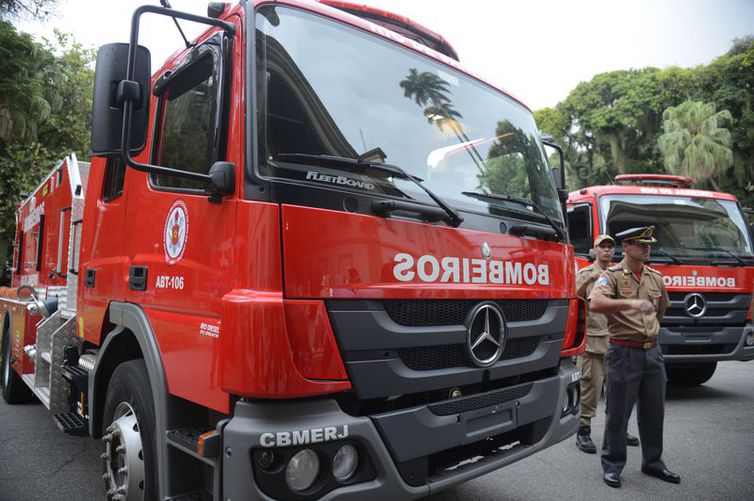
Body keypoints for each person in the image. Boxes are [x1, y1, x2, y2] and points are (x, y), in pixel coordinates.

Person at [589, 226, 680, 488]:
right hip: (623, 351)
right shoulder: (612, 276)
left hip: (652, 352)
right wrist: (630, 304)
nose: (646, 248)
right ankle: (613, 465)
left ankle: (653, 461)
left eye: (648, 244)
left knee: (654, 411)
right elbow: (596, 303)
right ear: (626, 247)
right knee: (618, 414)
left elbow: (660, 311)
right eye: (640, 244)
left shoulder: (655, 278)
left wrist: (648, 333)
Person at [574, 235, 639, 453]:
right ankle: (583, 431)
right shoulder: (585, 274)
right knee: (590, 389)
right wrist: (590, 278)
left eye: (611, 247)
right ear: (594, 249)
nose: (607, 251)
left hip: (617, 340)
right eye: (603, 247)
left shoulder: (620, 274)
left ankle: (618, 429)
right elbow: (572, 298)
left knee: (619, 390)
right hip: (592, 341)